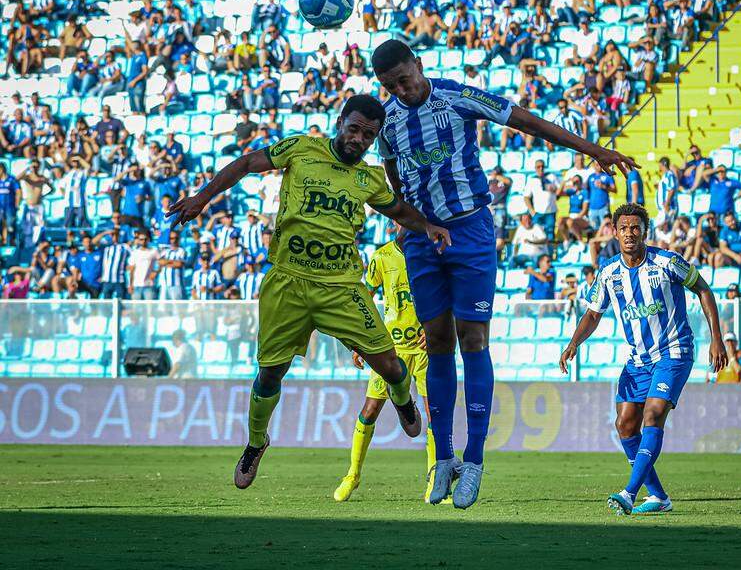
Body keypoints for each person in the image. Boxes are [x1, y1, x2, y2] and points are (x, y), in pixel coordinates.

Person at [370, 39, 637, 509]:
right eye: (390, 86)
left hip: (470, 231)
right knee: (434, 342)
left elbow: (527, 121)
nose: (400, 90)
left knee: (473, 339)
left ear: (419, 64)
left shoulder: (457, 97)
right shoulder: (387, 122)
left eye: (404, 79)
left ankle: (473, 459)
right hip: (421, 238)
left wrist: (593, 149)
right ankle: (444, 459)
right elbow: (394, 178)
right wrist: (414, 223)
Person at [168, 94, 452, 492]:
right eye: (354, 129)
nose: (359, 139)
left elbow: (398, 211)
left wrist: (428, 227)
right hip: (288, 281)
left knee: (390, 367)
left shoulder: (369, 178)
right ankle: (255, 443)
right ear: (340, 123)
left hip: (341, 287)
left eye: (368, 135)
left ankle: (403, 400)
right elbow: (249, 162)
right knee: (270, 373)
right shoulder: (302, 148)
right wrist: (202, 197)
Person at [560, 203, 725, 516]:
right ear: (615, 232)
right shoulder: (608, 272)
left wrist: (716, 338)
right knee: (625, 424)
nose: (629, 234)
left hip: (674, 351)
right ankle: (659, 496)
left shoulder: (667, 262)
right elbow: (593, 314)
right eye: (623, 228)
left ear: (644, 231)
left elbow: (703, 290)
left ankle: (629, 492)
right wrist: (572, 344)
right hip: (638, 360)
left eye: (635, 228)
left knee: (653, 414)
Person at [334, 230, 436, 503]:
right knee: (370, 409)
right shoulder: (382, 256)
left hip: (425, 349)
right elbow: (363, 298)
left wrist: (439, 326)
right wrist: (359, 341)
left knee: (434, 412)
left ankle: (434, 481)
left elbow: (446, 294)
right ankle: (352, 475)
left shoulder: (432, 253)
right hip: (390, 349)